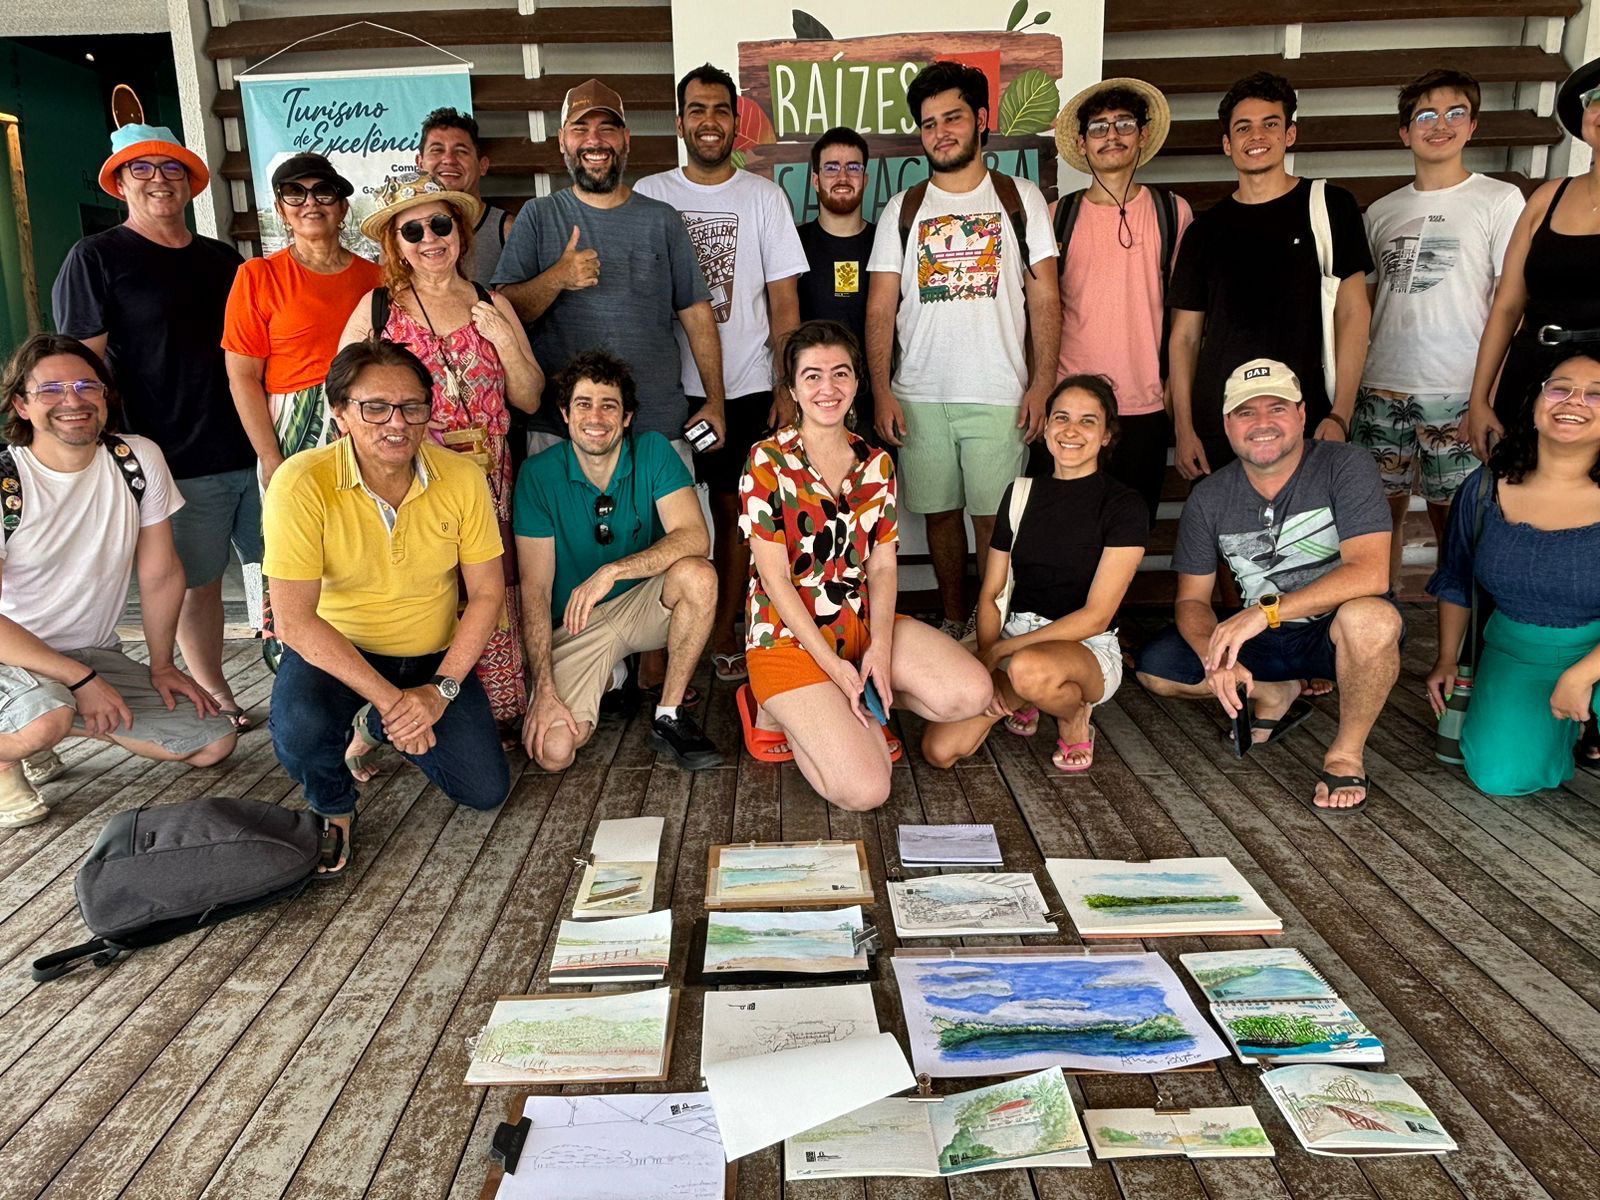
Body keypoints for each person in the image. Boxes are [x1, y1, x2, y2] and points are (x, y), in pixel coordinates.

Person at [264, 340, 510, 875]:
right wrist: (400, 704)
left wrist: (438, 691)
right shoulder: (301, 482)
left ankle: (373, 728)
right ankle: (334, 807)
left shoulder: (462, 477)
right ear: (340, 413)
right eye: (374, 407)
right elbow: (294, 621)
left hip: (430, 657)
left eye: (412, 407)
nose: (395, 423)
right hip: (339, 655)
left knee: (485, 790)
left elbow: (488, 594)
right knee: (299, 731)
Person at [52, 123, 259, 729]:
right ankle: (217, 691)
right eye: (140, 169)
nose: (157, 180)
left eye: (170, 168)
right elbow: (81, 367)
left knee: (283, 575)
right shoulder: (95, 257)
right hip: (169, 455)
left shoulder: (223, 260)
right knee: (196, 584)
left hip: (252, 445)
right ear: (119, 183)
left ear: (191, 183)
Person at [738, 320, 992, 811]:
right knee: (867, 790)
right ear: (792, 388)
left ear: (856, 383)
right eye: (811, 376)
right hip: (787, 637)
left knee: (971, 692)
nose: (827, 388)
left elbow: (882, 568)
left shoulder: (876, 463)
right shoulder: (767, 460)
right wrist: (833, 666)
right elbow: (773, 579)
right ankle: (773, 710)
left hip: (857, 622)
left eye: (840, 373)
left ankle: (850, 708)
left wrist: (879, 646)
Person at [1135, 359, 1402, 812]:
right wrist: (1213, 656)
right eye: (1246, 412)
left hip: (1328, 633)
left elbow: (1371, 572)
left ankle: (1345, 754)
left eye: (1276, 408)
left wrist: (1265, 611)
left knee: (1372, 618)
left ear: (1301, 414)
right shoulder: (1210, 495)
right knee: (1155, 669)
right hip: (1261, 637)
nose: (1262, 423)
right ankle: (1275, 690)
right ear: (1227, 424)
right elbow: (1192, 600)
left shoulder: (1345, 464)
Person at [0, 334, 236, 827]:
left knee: (213, 741)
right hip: (12, 654)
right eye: (51, 390)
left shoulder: (136, 459)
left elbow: (161, 570)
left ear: (106, 397)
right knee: (46, 720)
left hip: (93, 652)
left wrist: (161, 663)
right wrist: (77, 680)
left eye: (88, 385)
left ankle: (44, 719)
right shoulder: (7, 481)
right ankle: (15, 746)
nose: (74, 400)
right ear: (21, 404)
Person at [338, 175, 544, 728]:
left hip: (487, 481)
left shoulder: (489, 302)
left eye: (440, 223)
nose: (429, 238)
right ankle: (403, 716)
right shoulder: (378, 310)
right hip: (412, 483)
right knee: (422, 595)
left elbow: (529, 395)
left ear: (459, 230)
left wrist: (503, 339)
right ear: (395, 244)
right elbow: (344, 401)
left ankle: (493, 716)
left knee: (488, 596)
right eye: (412, 229)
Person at [867, 60, 1060, 639]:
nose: (940, 133)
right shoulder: (902, 209)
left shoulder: (1019, 199)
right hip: (918, 395)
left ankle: (990, 632)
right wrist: (881, 390)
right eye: (928, 124)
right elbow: (879, 308)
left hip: (999, 392)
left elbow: (1046, 300)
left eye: (952, 117)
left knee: (994, 523)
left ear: (981, 121)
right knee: (940, 518)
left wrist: (1042, 384)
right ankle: (954, 620)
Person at [635, 63, 809, 683]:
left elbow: (784, 303)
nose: (709, 122)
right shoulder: (651, 195)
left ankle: (728, 629)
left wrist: (787, 386)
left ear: (737, 123)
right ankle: (658, 639)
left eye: (721, 111)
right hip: (665, 390)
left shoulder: (763, 197)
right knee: (662, 517)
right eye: (697, 110)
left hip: (748, 390)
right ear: (680, 121)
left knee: (741, 515)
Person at [492, 79, 724, 466]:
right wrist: (558, 278)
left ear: (626, 139)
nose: (594, 140)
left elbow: (697, 316)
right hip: (560, 430)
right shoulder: (538, 215)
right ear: (562, 140)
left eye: (607, 128)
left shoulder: (662, 220)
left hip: (656, 427)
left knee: (677, 529)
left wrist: (716, 402)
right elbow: (504, 312)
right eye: (580, 129)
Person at [922, 375, 1148, 772]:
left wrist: (1002, 654)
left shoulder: (1123, 506)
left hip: (1085, 647)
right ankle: (1026, 697)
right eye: (1061, 417)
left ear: (1107, 436)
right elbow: (992, 592)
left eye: (1087, 421)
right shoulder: (1021, 493)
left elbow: (1096, 616)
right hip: (1015, 635)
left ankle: (1073, 716)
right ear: (1045, 428)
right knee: (940, 751)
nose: (1071, 431)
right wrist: (988, 663)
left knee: (1029, 669)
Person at [513, 351, 720, 772]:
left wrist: (613, 571)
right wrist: (546, 689)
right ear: (565, 414)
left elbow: (695, 537)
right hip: (576, 624)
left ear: (627, 417)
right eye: (583, 404)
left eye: (609, 405)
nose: (596, 416)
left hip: (641, 603)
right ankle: (614, 676)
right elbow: (534, 591)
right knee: (554, 753)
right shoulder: (538, 474)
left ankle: (669, 715)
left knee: (699, 576)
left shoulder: (653, 451)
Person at [1356, 69, 1522, 588]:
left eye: (1454, 113)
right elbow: (1364, 304)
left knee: (1458, 524)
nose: (1439, 125)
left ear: (1472, 126)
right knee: (1378, 523)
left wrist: (1486, 397)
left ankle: (1458, 648)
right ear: (1405, 132)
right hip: (1381, 385)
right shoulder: (1382, 211)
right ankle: (1382, 624)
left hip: (1458, 390)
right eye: (1425, 115)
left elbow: (1509, 304)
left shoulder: (1499, 200)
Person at [1168, 72, 1372, 479]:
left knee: (1310, 540)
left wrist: (1340, 413)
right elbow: (1185, 337)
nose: (1256, 135)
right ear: (1227, 143)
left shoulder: (1331, 207)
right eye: (1243, 127)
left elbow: (1353, 314)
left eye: (1270, 124)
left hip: (1309, 416)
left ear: (1290, 134)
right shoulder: (1204, 232)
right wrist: (1184, 428)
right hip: (1221, 423)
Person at [1428, 353, 1600, 796]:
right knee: (1500, 776)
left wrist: (1581, 676)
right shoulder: (1486, 486)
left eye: (1597, 394)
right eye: (1561, 388)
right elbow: (1456, 577)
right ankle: (1568, 736)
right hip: (1518, 650)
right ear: (1538, 401)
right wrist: (1448, 658)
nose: (1575, 401)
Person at [1050, 79, 1191, 526]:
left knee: (1131, 529)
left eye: (1124, 123)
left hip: (1145, 403)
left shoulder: (1173, 212)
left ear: (1143, 135)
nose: (1112, 135)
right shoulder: (1058, 217)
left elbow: (1186, 317)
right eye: (1098, 127)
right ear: (1081, 143)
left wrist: (1177, 393)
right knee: (1070, 527)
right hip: (1072, 405)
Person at [1464, 56, 1600, 461]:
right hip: (1531, 377)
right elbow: (1507, 307)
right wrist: (1479, 398)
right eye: (1598, 100)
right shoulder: (1546, 198)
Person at [224, 153, 382, 489]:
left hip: (370, 417)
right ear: (281, 210)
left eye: (323, 192)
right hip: (296, 426)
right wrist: (269, 456)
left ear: (341, 208)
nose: (310, 202)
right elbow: (243, 377)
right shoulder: (258, 276)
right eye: (295, 193)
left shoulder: (377, 277)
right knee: (304, 534)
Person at [795, 127, 876, 439]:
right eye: (831, 167)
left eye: (853, 167)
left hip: (874, 405)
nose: (843, 177)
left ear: (865, 179)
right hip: (813, 402)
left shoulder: (887, 242)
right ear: (816, 180)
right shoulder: (792, 243)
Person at [415, 107, 516, 289]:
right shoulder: (404, 233)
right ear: (420, 164)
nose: (449, 159)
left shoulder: (508, 231)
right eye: (437, 150)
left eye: (461, 151)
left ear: (483, 165)